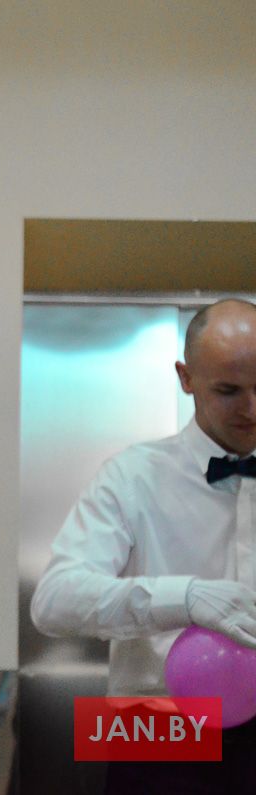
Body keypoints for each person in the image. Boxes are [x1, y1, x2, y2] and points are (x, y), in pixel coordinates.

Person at [31, 298, 256, 793]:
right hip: (160, 730)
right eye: (229, 390)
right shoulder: (132, 477)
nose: (251, 409)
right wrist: (184, 598)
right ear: (186, 377)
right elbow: (54, 601)